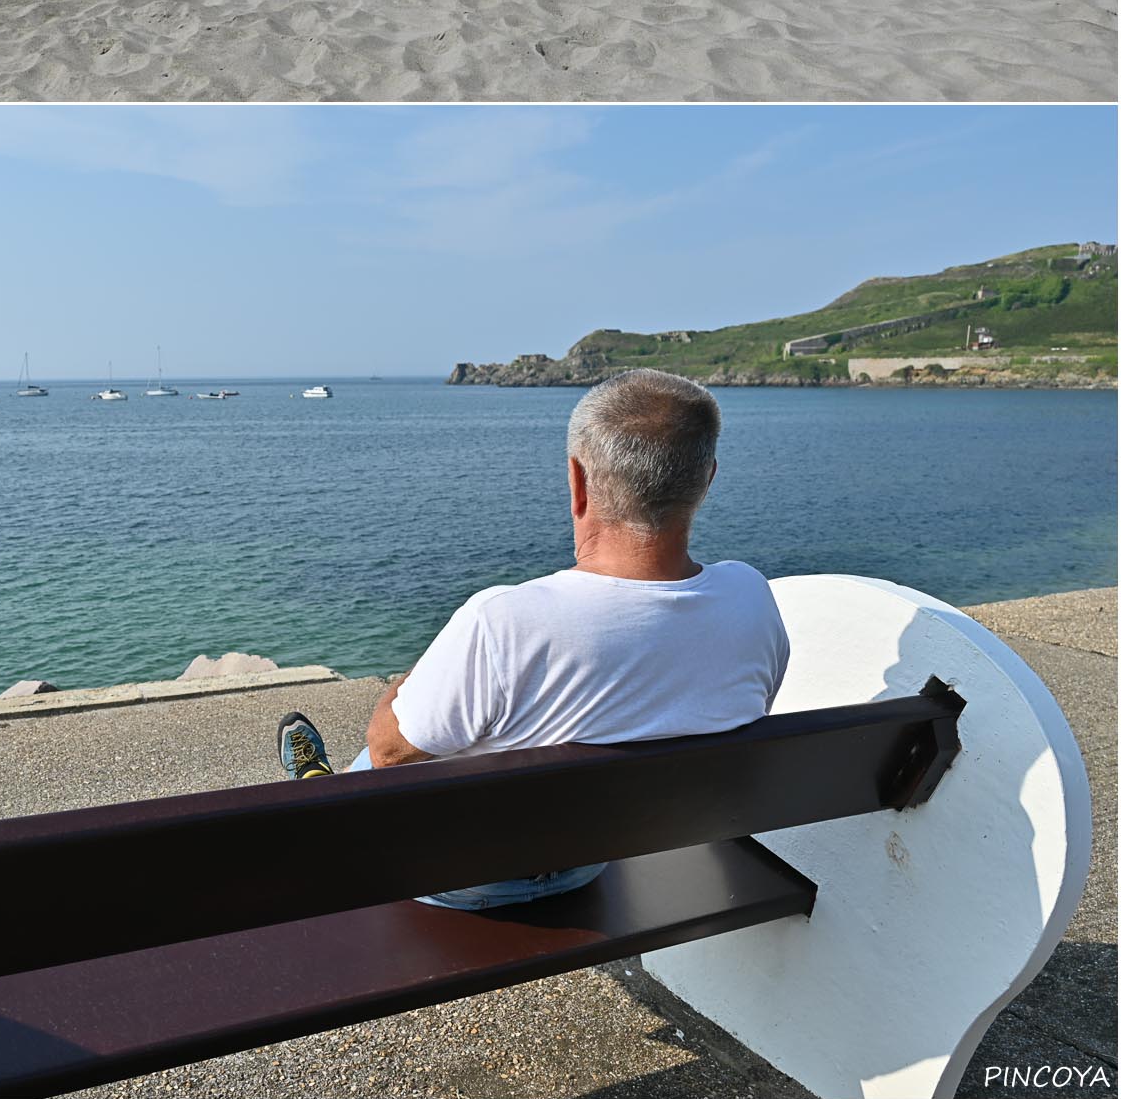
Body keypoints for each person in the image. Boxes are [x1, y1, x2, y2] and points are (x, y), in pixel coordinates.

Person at [272, 369, 790, 910]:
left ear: (578, 481)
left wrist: (407, 686)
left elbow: (388, 751)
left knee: (380, 756)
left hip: (459, 877)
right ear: (707, 479)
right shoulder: (750, 596)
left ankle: (314, 786)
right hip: (596, 856)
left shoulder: (506, 620)